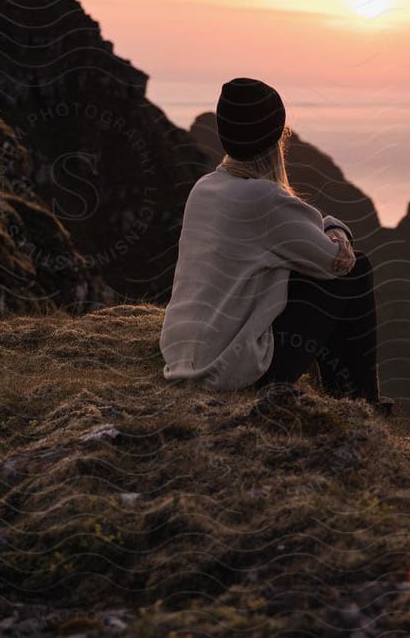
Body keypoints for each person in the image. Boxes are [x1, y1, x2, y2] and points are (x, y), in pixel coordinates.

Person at [161, 77, 385, 407]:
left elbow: (298, 240)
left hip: (182, 357)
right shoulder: (263, 198)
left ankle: (352, 396)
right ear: (276, 137)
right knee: (356, 271)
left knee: (299, 269)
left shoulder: (204, 188)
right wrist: (338, 230)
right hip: (231, 371)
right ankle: (361, 400)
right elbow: (335, 260)